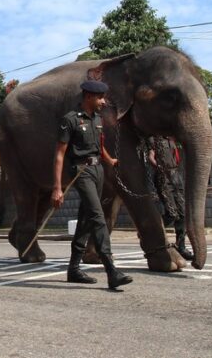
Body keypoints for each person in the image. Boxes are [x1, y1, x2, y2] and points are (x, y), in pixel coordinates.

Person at [51, 80, 132, 289]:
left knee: (86, 220)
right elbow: (59, 155)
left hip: (98, 170)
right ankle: (111, 270)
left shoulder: (97, 119)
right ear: (88, 97)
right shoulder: (70, 120)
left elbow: (100, 145)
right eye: (100, 98)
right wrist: (57, 188)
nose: (103, 102)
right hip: (81, 172)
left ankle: (74, 269)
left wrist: (110, 160)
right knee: (97, 216)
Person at [148, 136, 193, 261]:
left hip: (175, 176)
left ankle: (181, 246)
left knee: (182, 214)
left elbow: (176, 157)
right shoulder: (154, 140)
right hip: (163, 177)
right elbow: (151, 156)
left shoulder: (172, 139)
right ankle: (152, 230)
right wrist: (158, 167)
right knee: (172, 213)